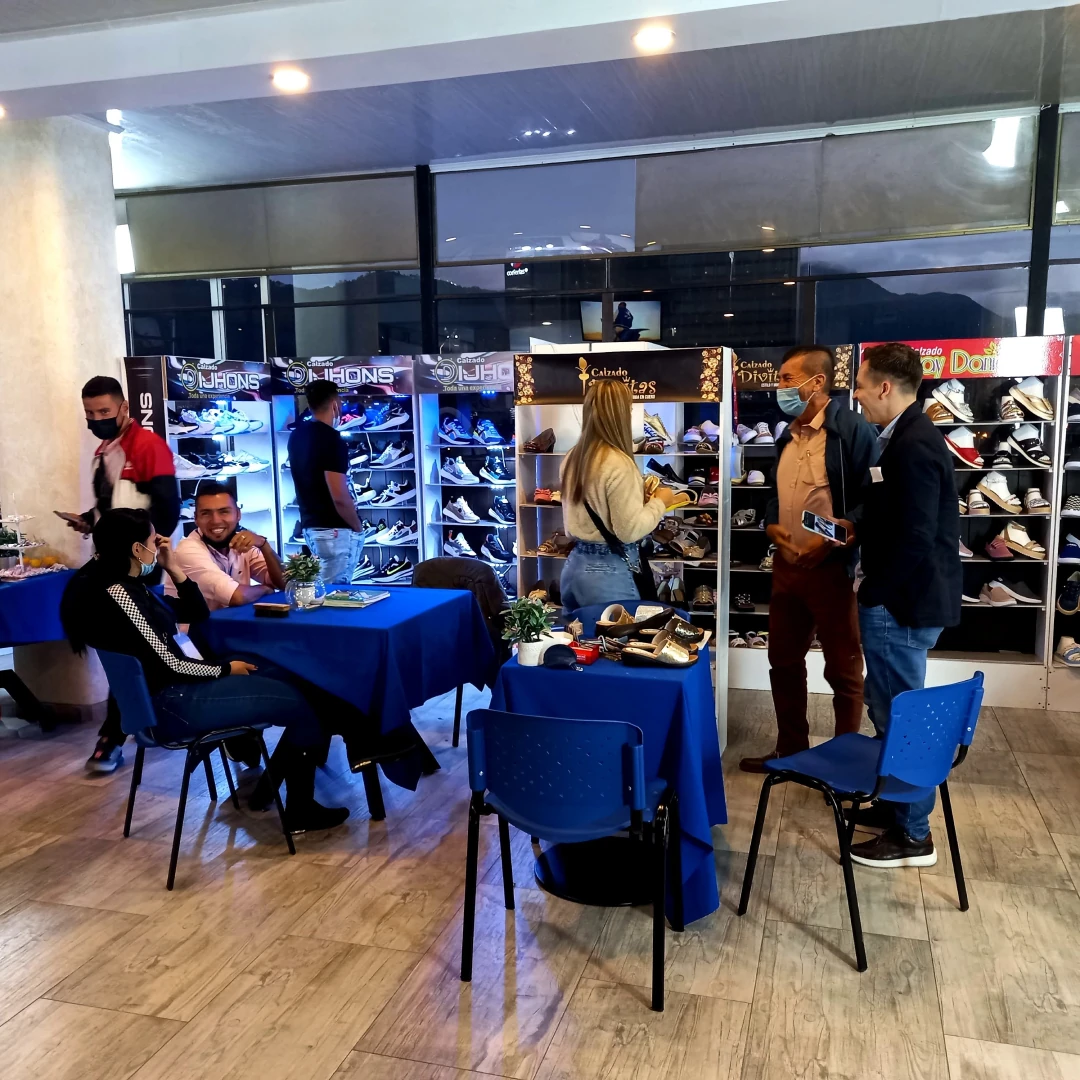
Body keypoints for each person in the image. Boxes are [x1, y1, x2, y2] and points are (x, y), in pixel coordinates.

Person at [59, 508, 349, 833]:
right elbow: (171, 664)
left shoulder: (122, 583)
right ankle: (299, 810)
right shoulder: (120, 594)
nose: (159, 545)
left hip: (173, 692)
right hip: (171, 703)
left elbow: (197, 614)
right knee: (300, 701)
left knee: (290, 678)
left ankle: (273, 785)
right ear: (137, 549)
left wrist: (173, 567)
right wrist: (226, 670)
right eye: (153, 541)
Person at [848, 341, 961, 868]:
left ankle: (914, 834)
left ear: (885, 386)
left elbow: (916, 536)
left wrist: (876, 591)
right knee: (887, 706)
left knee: (901, 715)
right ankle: (898, 807)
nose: (856, 395)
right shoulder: (905, 436)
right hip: (903, 600)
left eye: (860, 385)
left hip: (901, 605)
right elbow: (902, 519)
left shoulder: (912, 443)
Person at [741, 346, 878, 773]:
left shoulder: (852, 431)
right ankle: (790, 749)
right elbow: (774, 494)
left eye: (786, 378)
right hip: (786, 567)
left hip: (832, 569)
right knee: (782, 661)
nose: (779, 386)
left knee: (843, 669)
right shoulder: (787, 435)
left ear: (817, 382)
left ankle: (844, 761)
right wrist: (771, 526)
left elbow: (873, 500)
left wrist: (836, 540)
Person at [63, 375, 180, 775]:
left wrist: (143, 561)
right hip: (109, 569)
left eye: (104, 411)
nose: (96, 419)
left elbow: (165, 510)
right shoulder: (104, 451)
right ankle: (135, 725)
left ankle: (114, 734)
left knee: (134, 649)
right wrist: (89, 520)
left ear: (124, 408)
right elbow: (114, 509)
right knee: (128, 650)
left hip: (136, 569)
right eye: (89, 413)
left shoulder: (148, 447)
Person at [559, 378, 678, 611]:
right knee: (619, 634)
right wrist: (660, 502)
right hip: (608, 572)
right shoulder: (618, 463)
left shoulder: (573, 458)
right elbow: (628, 531)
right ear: (620, 413)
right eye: (629, 408)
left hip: (575, 566)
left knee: (581, 634)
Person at [286, 379, 365, 583]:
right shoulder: (332, 440)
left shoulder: (296, 436)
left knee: (321, 588)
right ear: (335, 404)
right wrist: (357, 526)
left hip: (311, 526)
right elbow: (338, 495)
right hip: (335, 530)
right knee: (335, 593)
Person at [165, 482, 285, 610]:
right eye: (206, 513)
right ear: (196, 518)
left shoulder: (241, 542)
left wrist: (263, 544)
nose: (216, 521)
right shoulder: (188, 551)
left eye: (224, 512)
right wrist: (265, 589)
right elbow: (236, 597)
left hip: (229, 621)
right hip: (194, 624)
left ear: (238, 514)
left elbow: (284, 583)